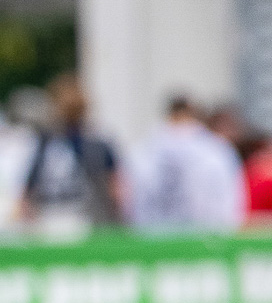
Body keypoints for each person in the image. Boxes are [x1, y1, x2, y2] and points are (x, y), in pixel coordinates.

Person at [127, 96, 245, 232]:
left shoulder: (141, 152)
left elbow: (129, 202)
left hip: (151, 235)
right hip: (204, 237)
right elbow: (231, 205)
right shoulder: (218, 152)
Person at [21, 74, 121, 228]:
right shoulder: (97, 145)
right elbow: (116, 193)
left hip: (51, 220)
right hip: (86, 221)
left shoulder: (45, 143)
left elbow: (28, 191)